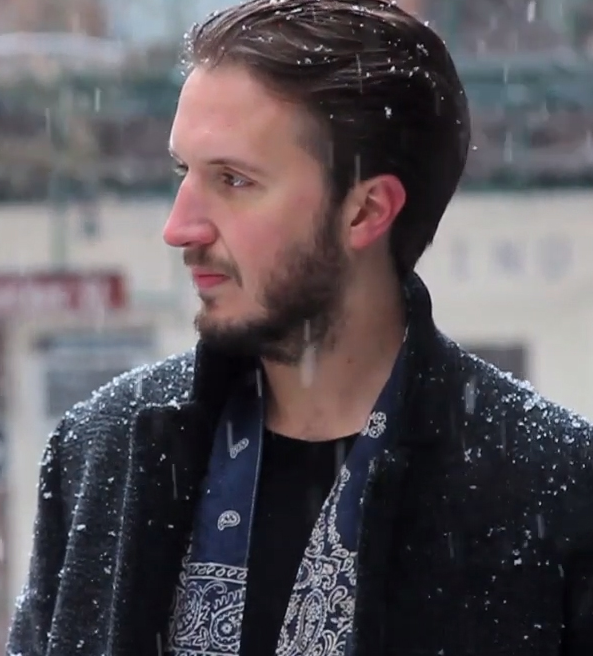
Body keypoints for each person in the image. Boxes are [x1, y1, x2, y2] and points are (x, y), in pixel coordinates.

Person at [7, 1, 593, 655]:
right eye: (183, 172)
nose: (178, 227)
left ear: (365, 211)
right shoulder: (102, 452)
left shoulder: (551, 487)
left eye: (233, 180)